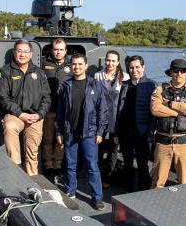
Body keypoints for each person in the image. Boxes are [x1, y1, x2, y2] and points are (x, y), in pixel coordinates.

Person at [56, 53, 108, 210]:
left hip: (90, 133)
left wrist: (100, 132)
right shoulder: (66, 86)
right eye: (74, 64)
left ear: (85, 66)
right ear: (70, 66)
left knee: (92, 165)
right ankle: (70, 192)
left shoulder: (95, 85)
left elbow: (103, 110)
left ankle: (97, 197)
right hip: (70, 132)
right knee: (70, 165)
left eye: (80, 64)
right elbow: (60, 111)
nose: (76, 67)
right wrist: (59, 132)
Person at [0, 39, 50, 176]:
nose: (22, 54)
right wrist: (20, 114)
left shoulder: (39, 73)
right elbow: (2, 98)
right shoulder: (6, 71)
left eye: (25, 52)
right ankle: (15, 170)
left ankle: (33, 177)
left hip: (35, 117)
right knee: (10, 127)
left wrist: (40, 114)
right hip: (15, 115)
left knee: (32, 151)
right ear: (14, 52)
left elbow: (47, 97)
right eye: (19, 51)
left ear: (31, 54)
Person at [150, 58, 186, 188]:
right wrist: (179, 113)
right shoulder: (160, 90)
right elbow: (155, 109)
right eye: (175, 70)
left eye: (182, 70)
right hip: (163, 143)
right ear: (170, 73)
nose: (179, 73)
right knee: (157, 181)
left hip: (184, 143)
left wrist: (170, 104)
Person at [116, 55, 155, 191]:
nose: (134, 70)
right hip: (126, 130)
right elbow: (119, 109)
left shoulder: (150, 85)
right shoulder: (125, 85)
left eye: (137, 67)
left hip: (142, 132)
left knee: (142, 163)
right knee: (127, 162)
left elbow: (154, 112)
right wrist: (117, 131)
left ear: (143, 67)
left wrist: (150, 131)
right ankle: (128, 189)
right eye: (131, 68)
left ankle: (144, 189)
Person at [93, 50, 128, 188]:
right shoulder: (98, 75)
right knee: (99, 148)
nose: (110, 63)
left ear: (118, 62)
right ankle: (98, 175)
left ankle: (108, 177)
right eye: (108, 60)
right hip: (100, 116)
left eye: (113, 61)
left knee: (113, 149)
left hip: (115, 118)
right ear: (105, 60)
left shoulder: (124, 77)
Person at [40, 38, 72, 177]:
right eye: (55, 49)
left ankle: (58, 165)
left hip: (65, 110)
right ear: (52, 50)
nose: (58, 52)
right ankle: (48, 165)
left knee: (60, 140)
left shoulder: (71, 65)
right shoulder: (44, 64)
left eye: (61, 50)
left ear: (65, 51)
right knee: (48, 138)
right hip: (49, 109)